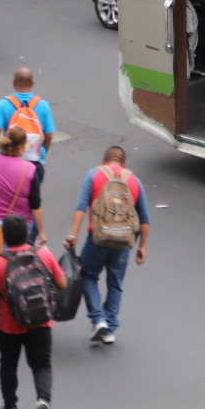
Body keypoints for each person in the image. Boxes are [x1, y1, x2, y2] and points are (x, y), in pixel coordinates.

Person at [0, 215, 67, 409]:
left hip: (8, 326)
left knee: (8, 365)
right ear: (28, 234)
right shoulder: (43, 255)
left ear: (4, 237)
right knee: (42, 364)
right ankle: (43, 400)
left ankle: (10, 408)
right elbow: (62, 284)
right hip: (40, 323)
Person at [64, 146, 151, 345]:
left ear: (104, 161)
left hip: (97, 238)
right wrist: (142, 246)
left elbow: (80, 207)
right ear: (124, 164)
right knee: (115, 283)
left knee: (88, 276)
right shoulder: (134, 181)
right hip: (123, 242)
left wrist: (73, 235)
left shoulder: (93, 175)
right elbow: (145, 220)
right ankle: (109, 329)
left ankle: (98, 319)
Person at [0, 127, 46, 247]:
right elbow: (35, 205)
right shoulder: (29, 169)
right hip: (19, 228)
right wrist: (41, 232)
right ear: (20, 148)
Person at [0, 67, 56, 184]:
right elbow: (49, 136)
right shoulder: (43, 105)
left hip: (8, 158)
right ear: (32, 83)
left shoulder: (3, 104)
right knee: (31, 193)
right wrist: (42, 154)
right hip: (34, 161)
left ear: (14, 82)